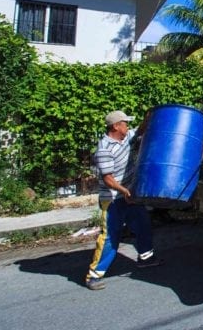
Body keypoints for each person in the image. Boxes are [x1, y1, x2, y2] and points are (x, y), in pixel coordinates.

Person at [85, 110, 162, 290]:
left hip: (129, 195)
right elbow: (108, 179)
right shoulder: (104, 149)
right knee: (110, 236)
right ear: (116, 126)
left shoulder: (127, 138)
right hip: (113, 199)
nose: (128, 126)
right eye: (125, 123)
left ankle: (146, 258)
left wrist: (150, 116)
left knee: (143, 225)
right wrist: (124, 191)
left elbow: (141, 130)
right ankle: (93, 275)